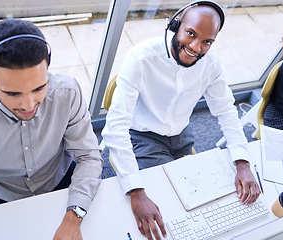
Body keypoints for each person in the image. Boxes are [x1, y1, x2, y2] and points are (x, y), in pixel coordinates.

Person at [102, 1, 261, 239]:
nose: (197, 47)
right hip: (142, 136)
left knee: (203, 198)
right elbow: (115, 128)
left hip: (182, 134)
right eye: (191, 34)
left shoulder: (211, 63)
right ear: (175, 25)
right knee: (166, 207)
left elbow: (227, 111)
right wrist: (135, 190)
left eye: (207, 41)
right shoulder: (141, 58)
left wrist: (243, 161)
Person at [0, 19, 103, 239]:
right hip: (1, 196)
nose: (29, 105)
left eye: (39, 88)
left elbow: (89, 156)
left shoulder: (67, 92)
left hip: (60, 182)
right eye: (13, 93)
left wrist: (74, 216)